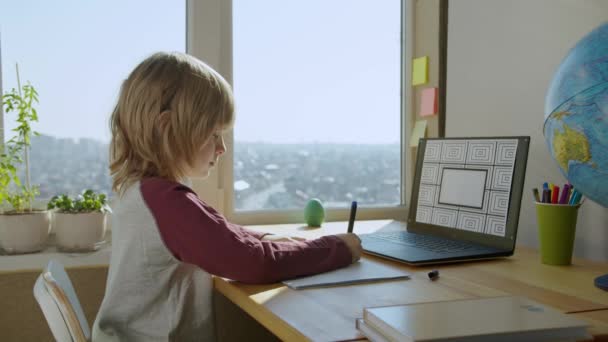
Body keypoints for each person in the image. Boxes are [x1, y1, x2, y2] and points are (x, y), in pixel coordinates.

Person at [92, 51, 362, 342]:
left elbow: (220, 231)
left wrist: (264, 238)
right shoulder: (167, 202)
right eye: (213, 134)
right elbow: (254, 264)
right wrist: (336, 248)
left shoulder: (143, 190)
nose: (221, 148)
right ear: (167, 127)